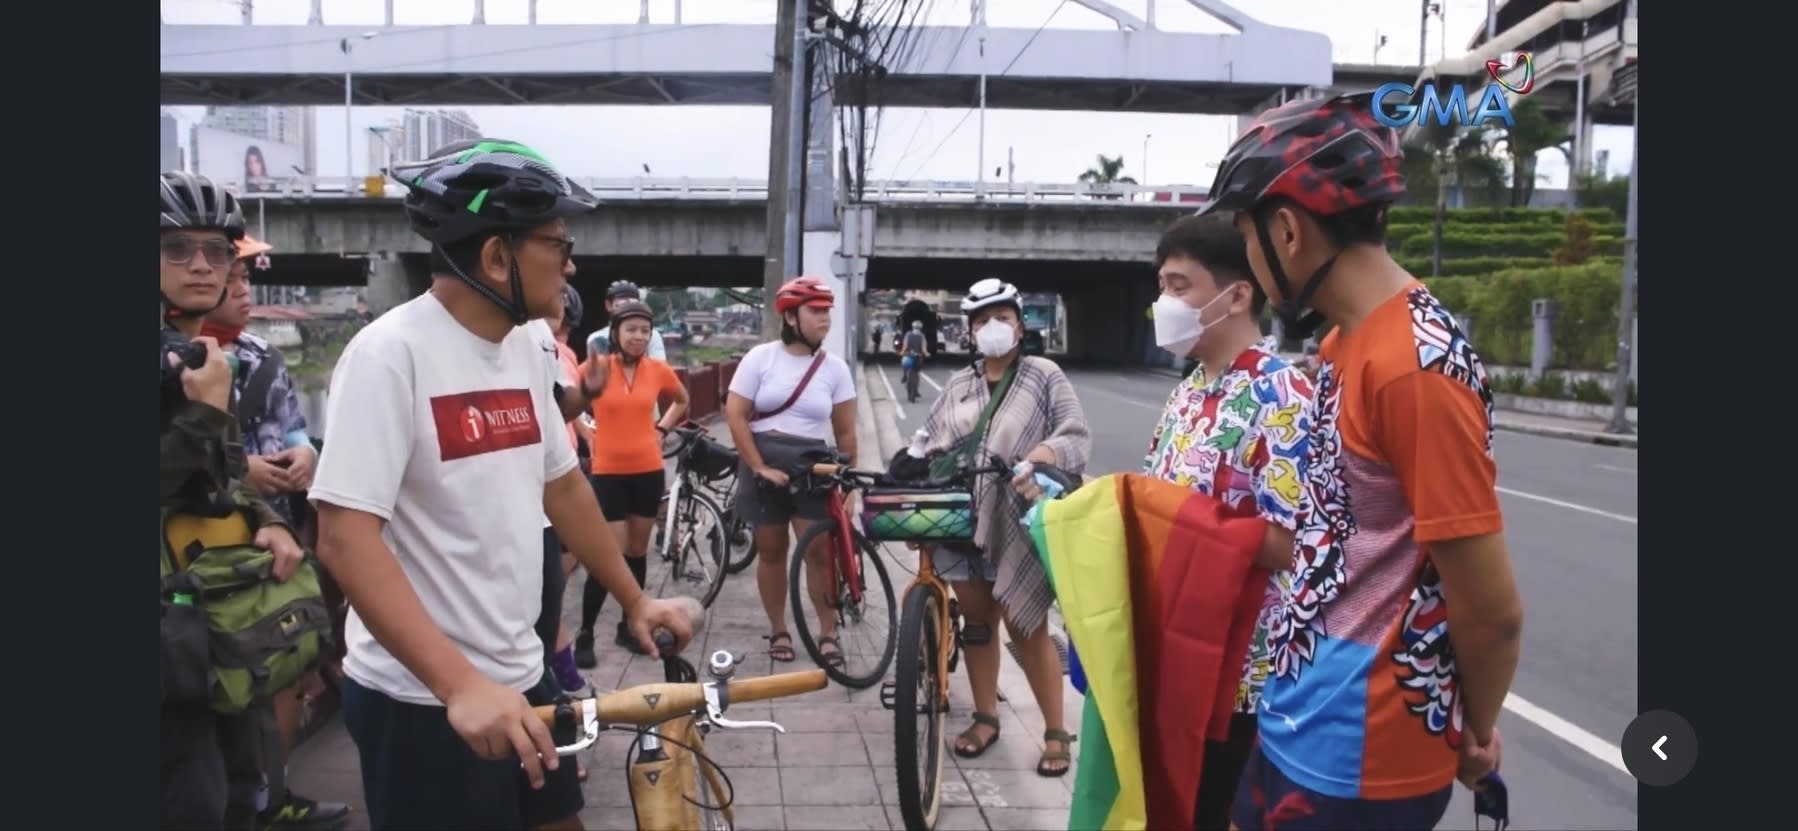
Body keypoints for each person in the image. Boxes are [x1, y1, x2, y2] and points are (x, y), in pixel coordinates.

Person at [307, 138, 695, 831]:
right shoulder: (389, 356)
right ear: (495, 256)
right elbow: (343, 538)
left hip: (521, 669)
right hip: (424, 699)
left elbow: (562, 485)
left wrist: (636, 599)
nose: (570, 264)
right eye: (558, 244)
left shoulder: (529, 343)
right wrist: (459, 686)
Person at [1195, 93, 1524, 830]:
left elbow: (1491, 610)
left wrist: (1474, 730)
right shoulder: (1348, 342)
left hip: (1361, 758)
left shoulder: (1416, 367)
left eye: (1247, 237)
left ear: (1286, 232)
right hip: (1297, 711)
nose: (1250, 259)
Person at [1139, 215, 1314, 830]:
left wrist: (1184, 522)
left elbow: (1295, 545)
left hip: (1247, 677)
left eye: (1179, 285)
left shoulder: (1282, 396)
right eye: (1162, 286)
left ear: (1237, 295)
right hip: (1181, 655)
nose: (1164, 303)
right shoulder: (1188, 391)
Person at [160, 170, 310, 830]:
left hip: (213, 615)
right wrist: (205, 413)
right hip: (168, 638)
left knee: (241, 789)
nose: (201, 265)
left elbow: (219, 476)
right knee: (191, 800)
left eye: (216, 251)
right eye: (177, 248)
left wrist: (266, 518)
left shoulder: (200, 355)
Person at [199, 233, 351, 830]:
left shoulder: (262, 356)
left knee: (283, 670)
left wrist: (303, 455)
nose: (242, 291)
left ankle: (273, 795)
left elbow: (292, 426)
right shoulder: (175, 359)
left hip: (275, 542)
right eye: (232, 279)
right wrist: (242, 471)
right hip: (203, 554)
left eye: (243, 278)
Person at [912, 277, 1091, 778]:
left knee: (1025, 624)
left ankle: (1055, 731)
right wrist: (911, 466)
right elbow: (930, 439)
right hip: (960, 518)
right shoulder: (959, 383)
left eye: (1003, 317)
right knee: (977, 625)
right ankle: (986, 716)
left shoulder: (1043, 375)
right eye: (982, 320)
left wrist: (1043, 454)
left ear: (1019, 324)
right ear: (970, 330)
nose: (993, 327)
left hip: (1018, 519)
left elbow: (1075, 433)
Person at [720, 276, 857, 666]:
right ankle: (779, 629)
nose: (825, 318)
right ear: (791, 317)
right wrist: (758, 466)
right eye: (816, 311)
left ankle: (828, 631)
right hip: (763, 462)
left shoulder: (835, 369)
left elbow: (846, 432)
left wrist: (849, 486)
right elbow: (735, 414)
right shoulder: (760, 358)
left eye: (827, 311)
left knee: (819, 552)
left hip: (813, 466)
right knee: (771, 550)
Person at [575, 299, 691, 663]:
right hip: (608, 472)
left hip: (648, 471)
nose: (638, 336)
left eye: (645, 330)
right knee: (610, 556)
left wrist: (662, 428)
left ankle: (629, 626)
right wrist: (586, 433)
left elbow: (682, 400)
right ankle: (586, 632)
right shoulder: (596, 367)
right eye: (631, 330)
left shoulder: (658, 370)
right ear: (615, 333)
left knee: (637, 553)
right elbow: (566, 402)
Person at [586, 279, 667, 360]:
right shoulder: (597, 338)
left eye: (633, 304)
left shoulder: (652, 335)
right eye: (622, 305)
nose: (628, 309)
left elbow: (659, 364)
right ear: (608, 305)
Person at [899, 320, 930, 402]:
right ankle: (914, 391)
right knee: (916, 373)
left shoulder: (908, 334)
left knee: (904, 362)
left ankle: (904, 375)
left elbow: (905, 346)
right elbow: (924, 348)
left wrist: (902, 352)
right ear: (921, 328)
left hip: (908, 355)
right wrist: (926, 354)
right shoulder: (922, 336)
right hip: (917, 357)